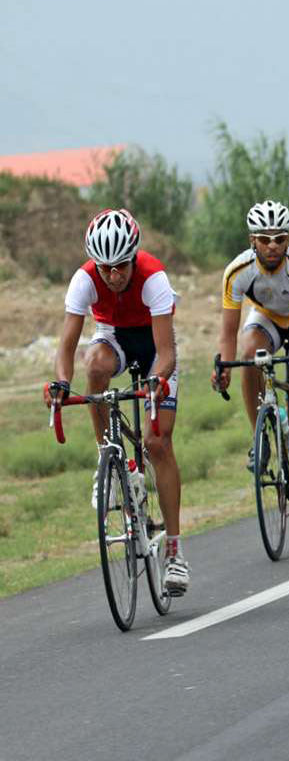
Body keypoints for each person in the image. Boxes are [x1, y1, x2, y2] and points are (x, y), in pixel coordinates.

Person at [46, 209, 189, 594]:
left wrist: (158, 380)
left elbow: (165, 351)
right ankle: (106, 456)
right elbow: (67, 346)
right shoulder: (83, 280)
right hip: (116, 339)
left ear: (134, 257)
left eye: (121, 265)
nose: (114, 275)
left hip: (155, 347)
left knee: (158, 444)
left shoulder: (153, 277)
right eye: (106, 267)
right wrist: (61, 382)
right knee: (94, 366)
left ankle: (175, 553)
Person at [215, 200, 289, 515]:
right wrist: (224, 366)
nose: (272, 246)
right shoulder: (237, 271)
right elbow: (228, 332)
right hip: (266, 320)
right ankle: (261, 439)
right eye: (264, 239)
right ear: (252, 240)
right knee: (247, 353)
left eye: (280, 239)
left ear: (288, 240)